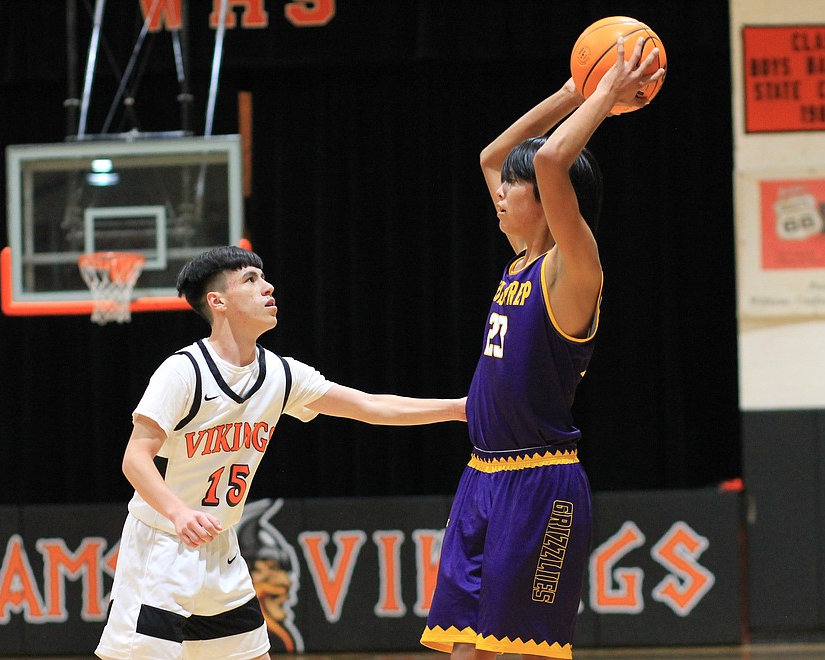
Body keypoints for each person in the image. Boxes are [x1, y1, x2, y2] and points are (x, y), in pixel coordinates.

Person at [95, 245, 466, 660]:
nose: (268, 286)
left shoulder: (281, 374)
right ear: (217, 301)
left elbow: (370, 406)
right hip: (161, 544)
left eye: (263, 277)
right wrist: (178, 513)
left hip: (219, 543)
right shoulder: (183, 371)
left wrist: (457, 409)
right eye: (250, 280)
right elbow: (135, 458)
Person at [420, 37, 664, 660]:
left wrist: (607, 95)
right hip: (482, 474)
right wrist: (570, 93)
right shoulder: (520, 264)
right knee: (463, 649)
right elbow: (493, 155)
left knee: (524, 653)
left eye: (517, 186)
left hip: (540, 483)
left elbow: (553, 160)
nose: (502, 191)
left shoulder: (573, 270)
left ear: (553, 201)